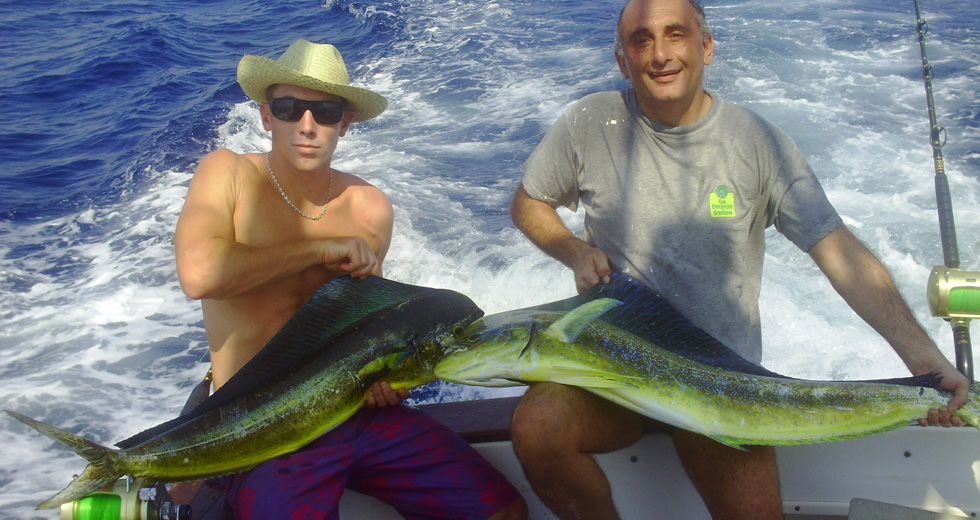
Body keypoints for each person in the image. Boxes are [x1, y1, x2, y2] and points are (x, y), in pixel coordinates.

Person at [507, 1, 971, 519]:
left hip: (720, 384)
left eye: (675, 35)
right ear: (623, 61)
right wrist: (573, 249)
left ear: (705, 47)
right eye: (641, 41)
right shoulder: (589, 122)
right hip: (613, 370)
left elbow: (840, 253)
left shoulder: (759, 143)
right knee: (536, 428)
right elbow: (529, 201)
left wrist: (925, 363)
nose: (659, 55)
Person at [175, 39, 526, 520]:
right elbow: (198, 274)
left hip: (354, 415)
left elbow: (371, 327)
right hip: (259, 425)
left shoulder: (368, 207)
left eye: (324, 111)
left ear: (345, 122)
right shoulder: (227, 173)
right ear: (264, 115)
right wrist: (317, 248)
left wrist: (390, 382)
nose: (306, 125)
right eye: (288, 107)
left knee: (503, 512)